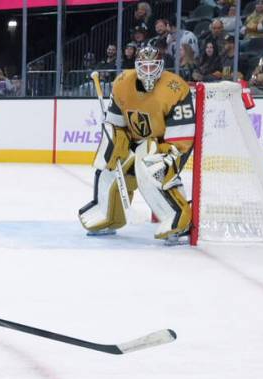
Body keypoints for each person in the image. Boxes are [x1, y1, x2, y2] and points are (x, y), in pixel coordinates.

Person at [78, 45, 195, 243]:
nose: (148, 72)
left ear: (161, 66)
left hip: (165, 144)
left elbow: (181, 137)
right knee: (109, 167)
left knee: (151, 168)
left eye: (153, 66)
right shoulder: (122, 82)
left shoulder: (176, 88)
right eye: (144, 66)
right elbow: (117, 124)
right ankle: (108, 214)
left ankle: (177, 215)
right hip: (136, 140)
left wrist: (168, 156)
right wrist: (116, 143)